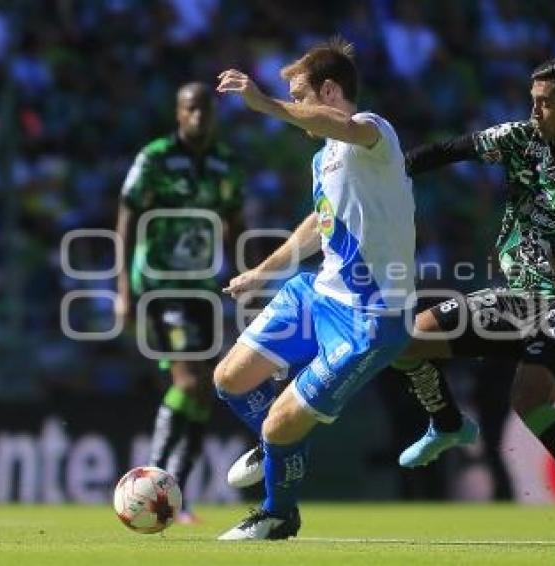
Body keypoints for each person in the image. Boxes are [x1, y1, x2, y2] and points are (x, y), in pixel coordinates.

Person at [392, 56, 555, 546]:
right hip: (512, 297)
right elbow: (448, 150)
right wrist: (387, 170)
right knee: (403, 342)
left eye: (545, 103)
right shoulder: (520, 138)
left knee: (527, 398)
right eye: (532, 101)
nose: (535, 112)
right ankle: (446, 423)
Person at [212, 37, 415, 540]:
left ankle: (279, 512)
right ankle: (280, 444)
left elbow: (339, 124)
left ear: (329, 89)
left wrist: (264, 104)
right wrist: (263, 271)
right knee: (229, 378)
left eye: (302, 95)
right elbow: (317, 227)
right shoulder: (323, 160)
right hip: (316, 293)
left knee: (279, 424)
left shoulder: (374, 133)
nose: (298, 107)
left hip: (372, 316)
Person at [114, 82, 243, 523]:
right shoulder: (153, 158)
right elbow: (126, 218)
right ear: (178, 112)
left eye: (205, 109)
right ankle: (146, 482)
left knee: (206, 390)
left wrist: (246, 275)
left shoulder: (224, 162)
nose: (199, 116)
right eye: (190, 109)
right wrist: (123, 289)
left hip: (202, 289)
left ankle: (175, 492)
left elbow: (235, 221)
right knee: (189, 381)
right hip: (158, 285)